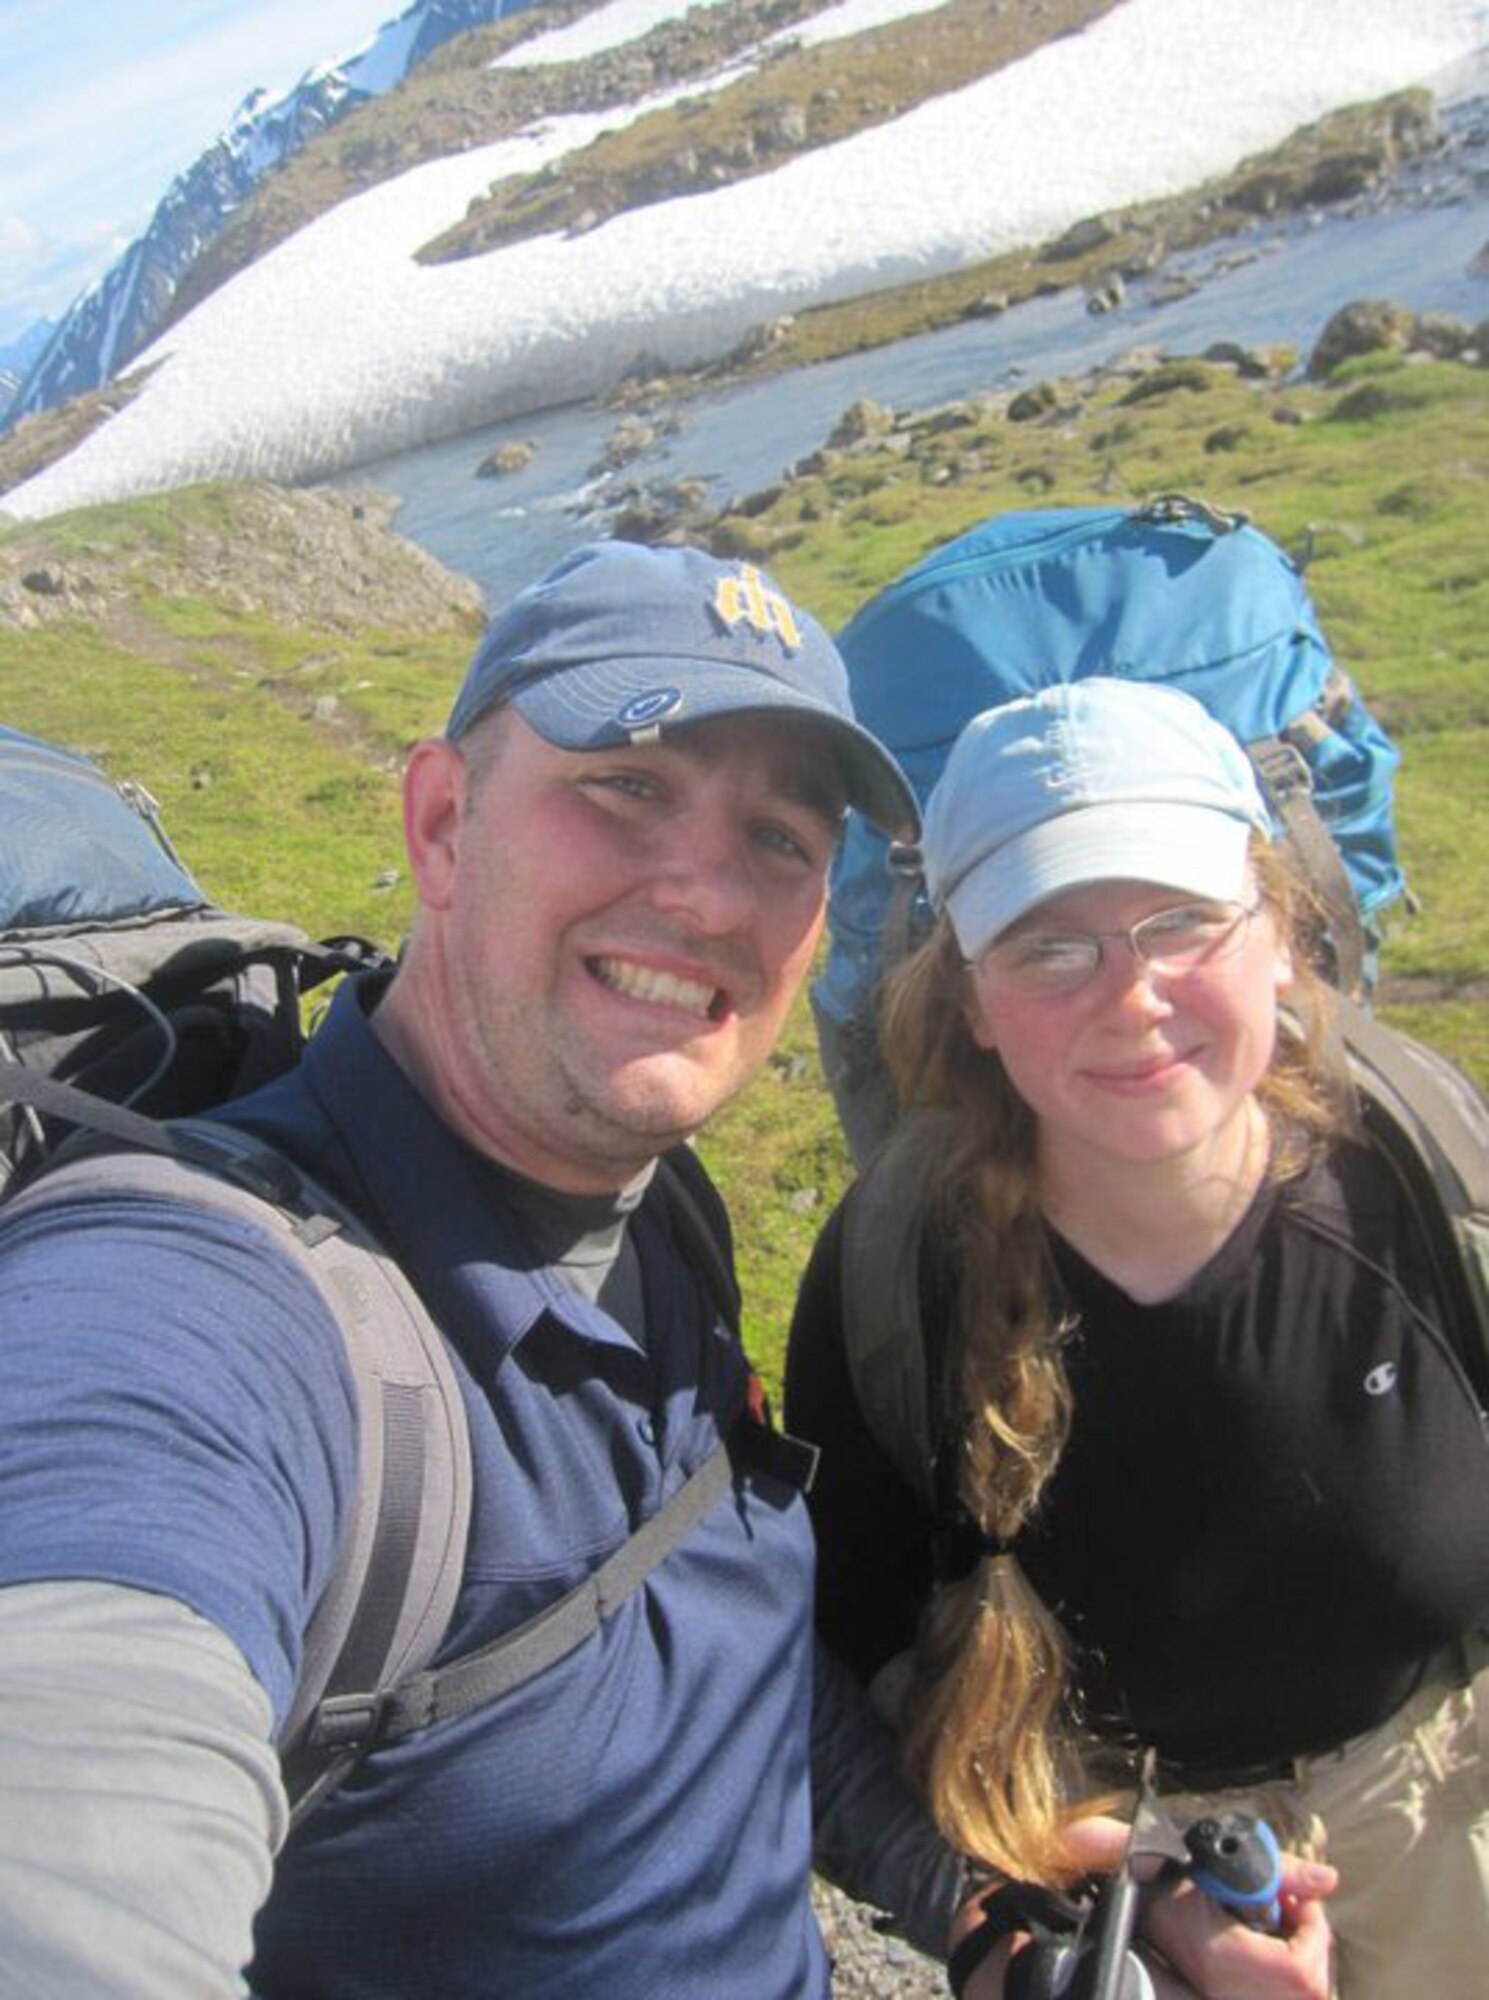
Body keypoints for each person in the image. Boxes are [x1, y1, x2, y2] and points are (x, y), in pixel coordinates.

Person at [0, 553, 1334, 2000]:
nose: (705, 896)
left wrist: (981, 1910)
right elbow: (75, 1794)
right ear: (442, 824)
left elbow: (701, 1633)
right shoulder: (202, 1301)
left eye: (777, 836)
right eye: (626, 787)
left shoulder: (647, 1205)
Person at [786, 675, 1489, 1999]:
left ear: (1278, 937)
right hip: (1107, 1890)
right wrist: (1115, 1885)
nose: (1133, 996)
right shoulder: (893, 1276)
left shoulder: (1423, 1172)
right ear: (971, 1003)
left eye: (1180, 922)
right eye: (1051, 945)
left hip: (1443, 1826)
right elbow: (855, 1632)